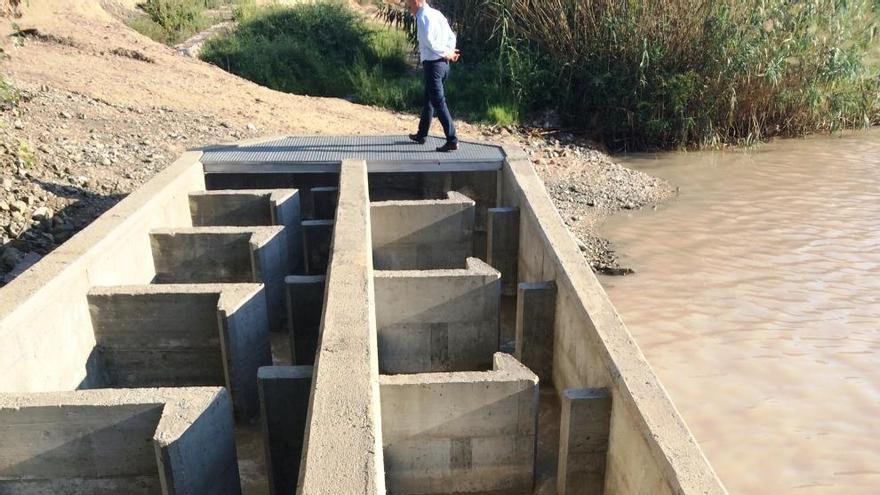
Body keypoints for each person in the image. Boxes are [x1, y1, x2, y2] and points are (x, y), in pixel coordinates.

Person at [406, 0, 461, 152]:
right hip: (443, 66)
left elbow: (430, 42)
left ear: (416, 1)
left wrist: (447, 53)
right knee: (429, 99)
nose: (408, 7)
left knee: (438, 102)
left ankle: (452, 139)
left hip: (434, 65)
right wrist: (449, 52)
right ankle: (422, 134)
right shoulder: (437, 14)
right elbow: (451, 36)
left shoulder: (423, 17)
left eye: (409, 3)